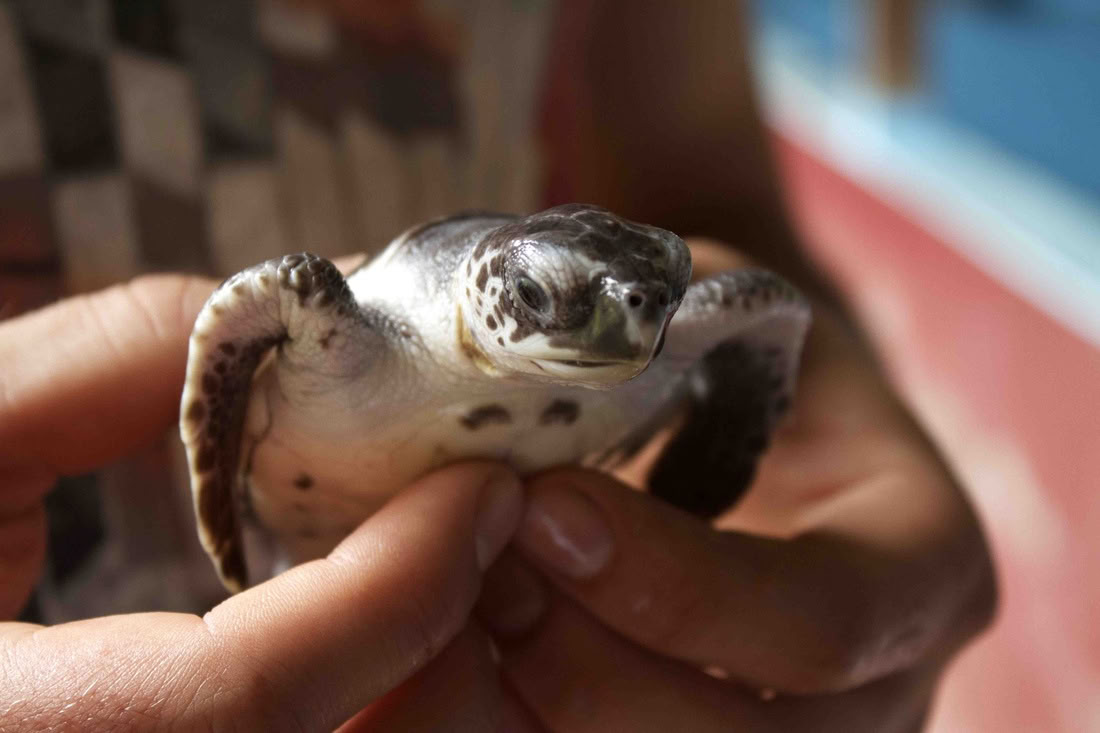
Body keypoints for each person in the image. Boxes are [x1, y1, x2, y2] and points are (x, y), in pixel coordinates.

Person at [0, 1, 995, 730]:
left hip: (502, 648)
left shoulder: (655, 325)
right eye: (546, 299)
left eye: (650, 302)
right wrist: (222, 513)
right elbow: (240, 326)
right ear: (493, 286)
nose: (622, 327)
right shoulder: (339, 319)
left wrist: (811, 508)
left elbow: (705, 190)